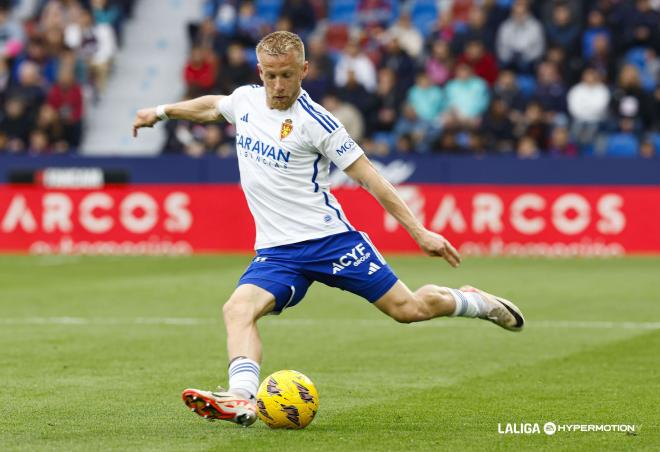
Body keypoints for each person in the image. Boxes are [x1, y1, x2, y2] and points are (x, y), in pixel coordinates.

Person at [132, 31, 525, 427]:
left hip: (330, 242)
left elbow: (370, 177)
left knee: (408, 310)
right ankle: (240, 397)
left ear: (304, 70)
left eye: (286, 75)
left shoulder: (317, 122)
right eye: (269, 76)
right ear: (259, 71)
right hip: (277, 252)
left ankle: (476, 302)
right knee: (237, 309)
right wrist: (162, 111)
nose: (278, 86)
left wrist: (419, 232)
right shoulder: (246, 100)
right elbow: (212, 107)